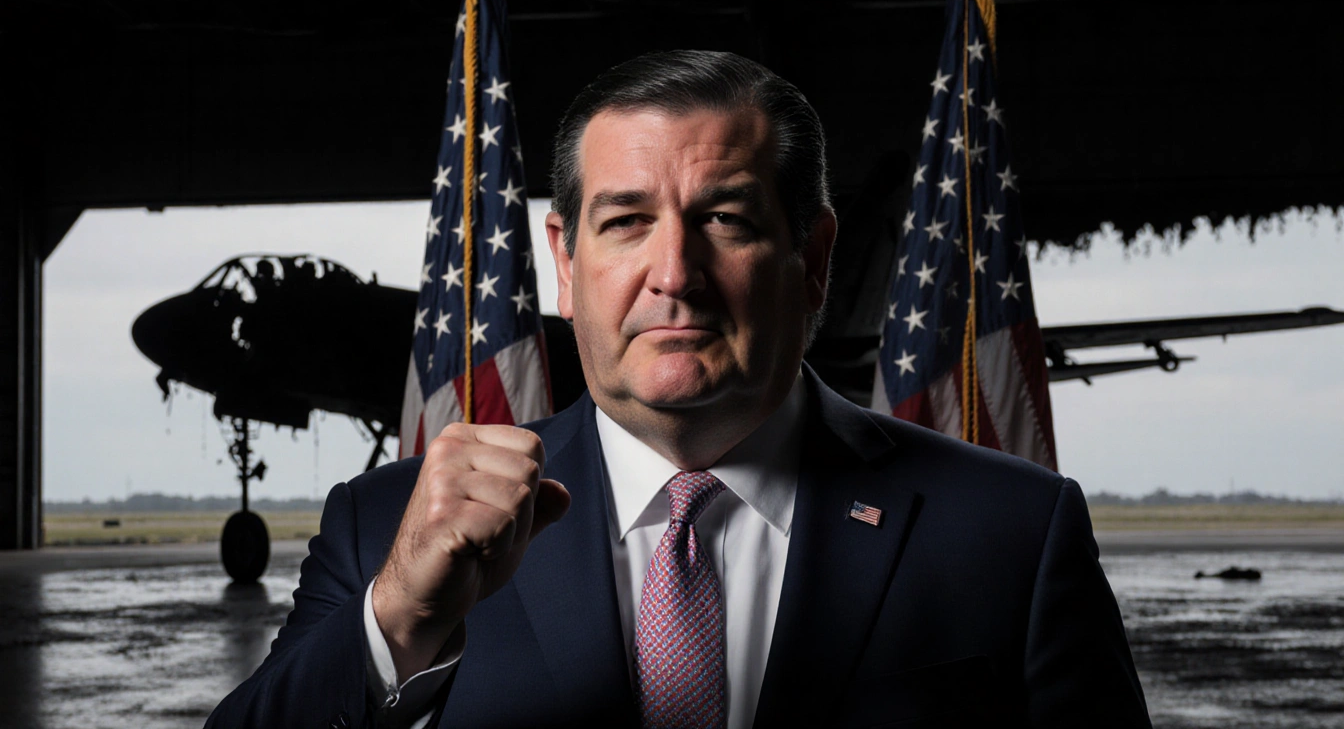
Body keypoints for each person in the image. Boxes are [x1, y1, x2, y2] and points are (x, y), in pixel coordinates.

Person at [207, 50, 1150, 729]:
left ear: (813, 261)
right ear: (563, 265)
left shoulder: (1015, 533)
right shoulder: (382, 532)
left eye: (726, 219)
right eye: (623, 222)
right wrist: (396, 622)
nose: (674, 273)